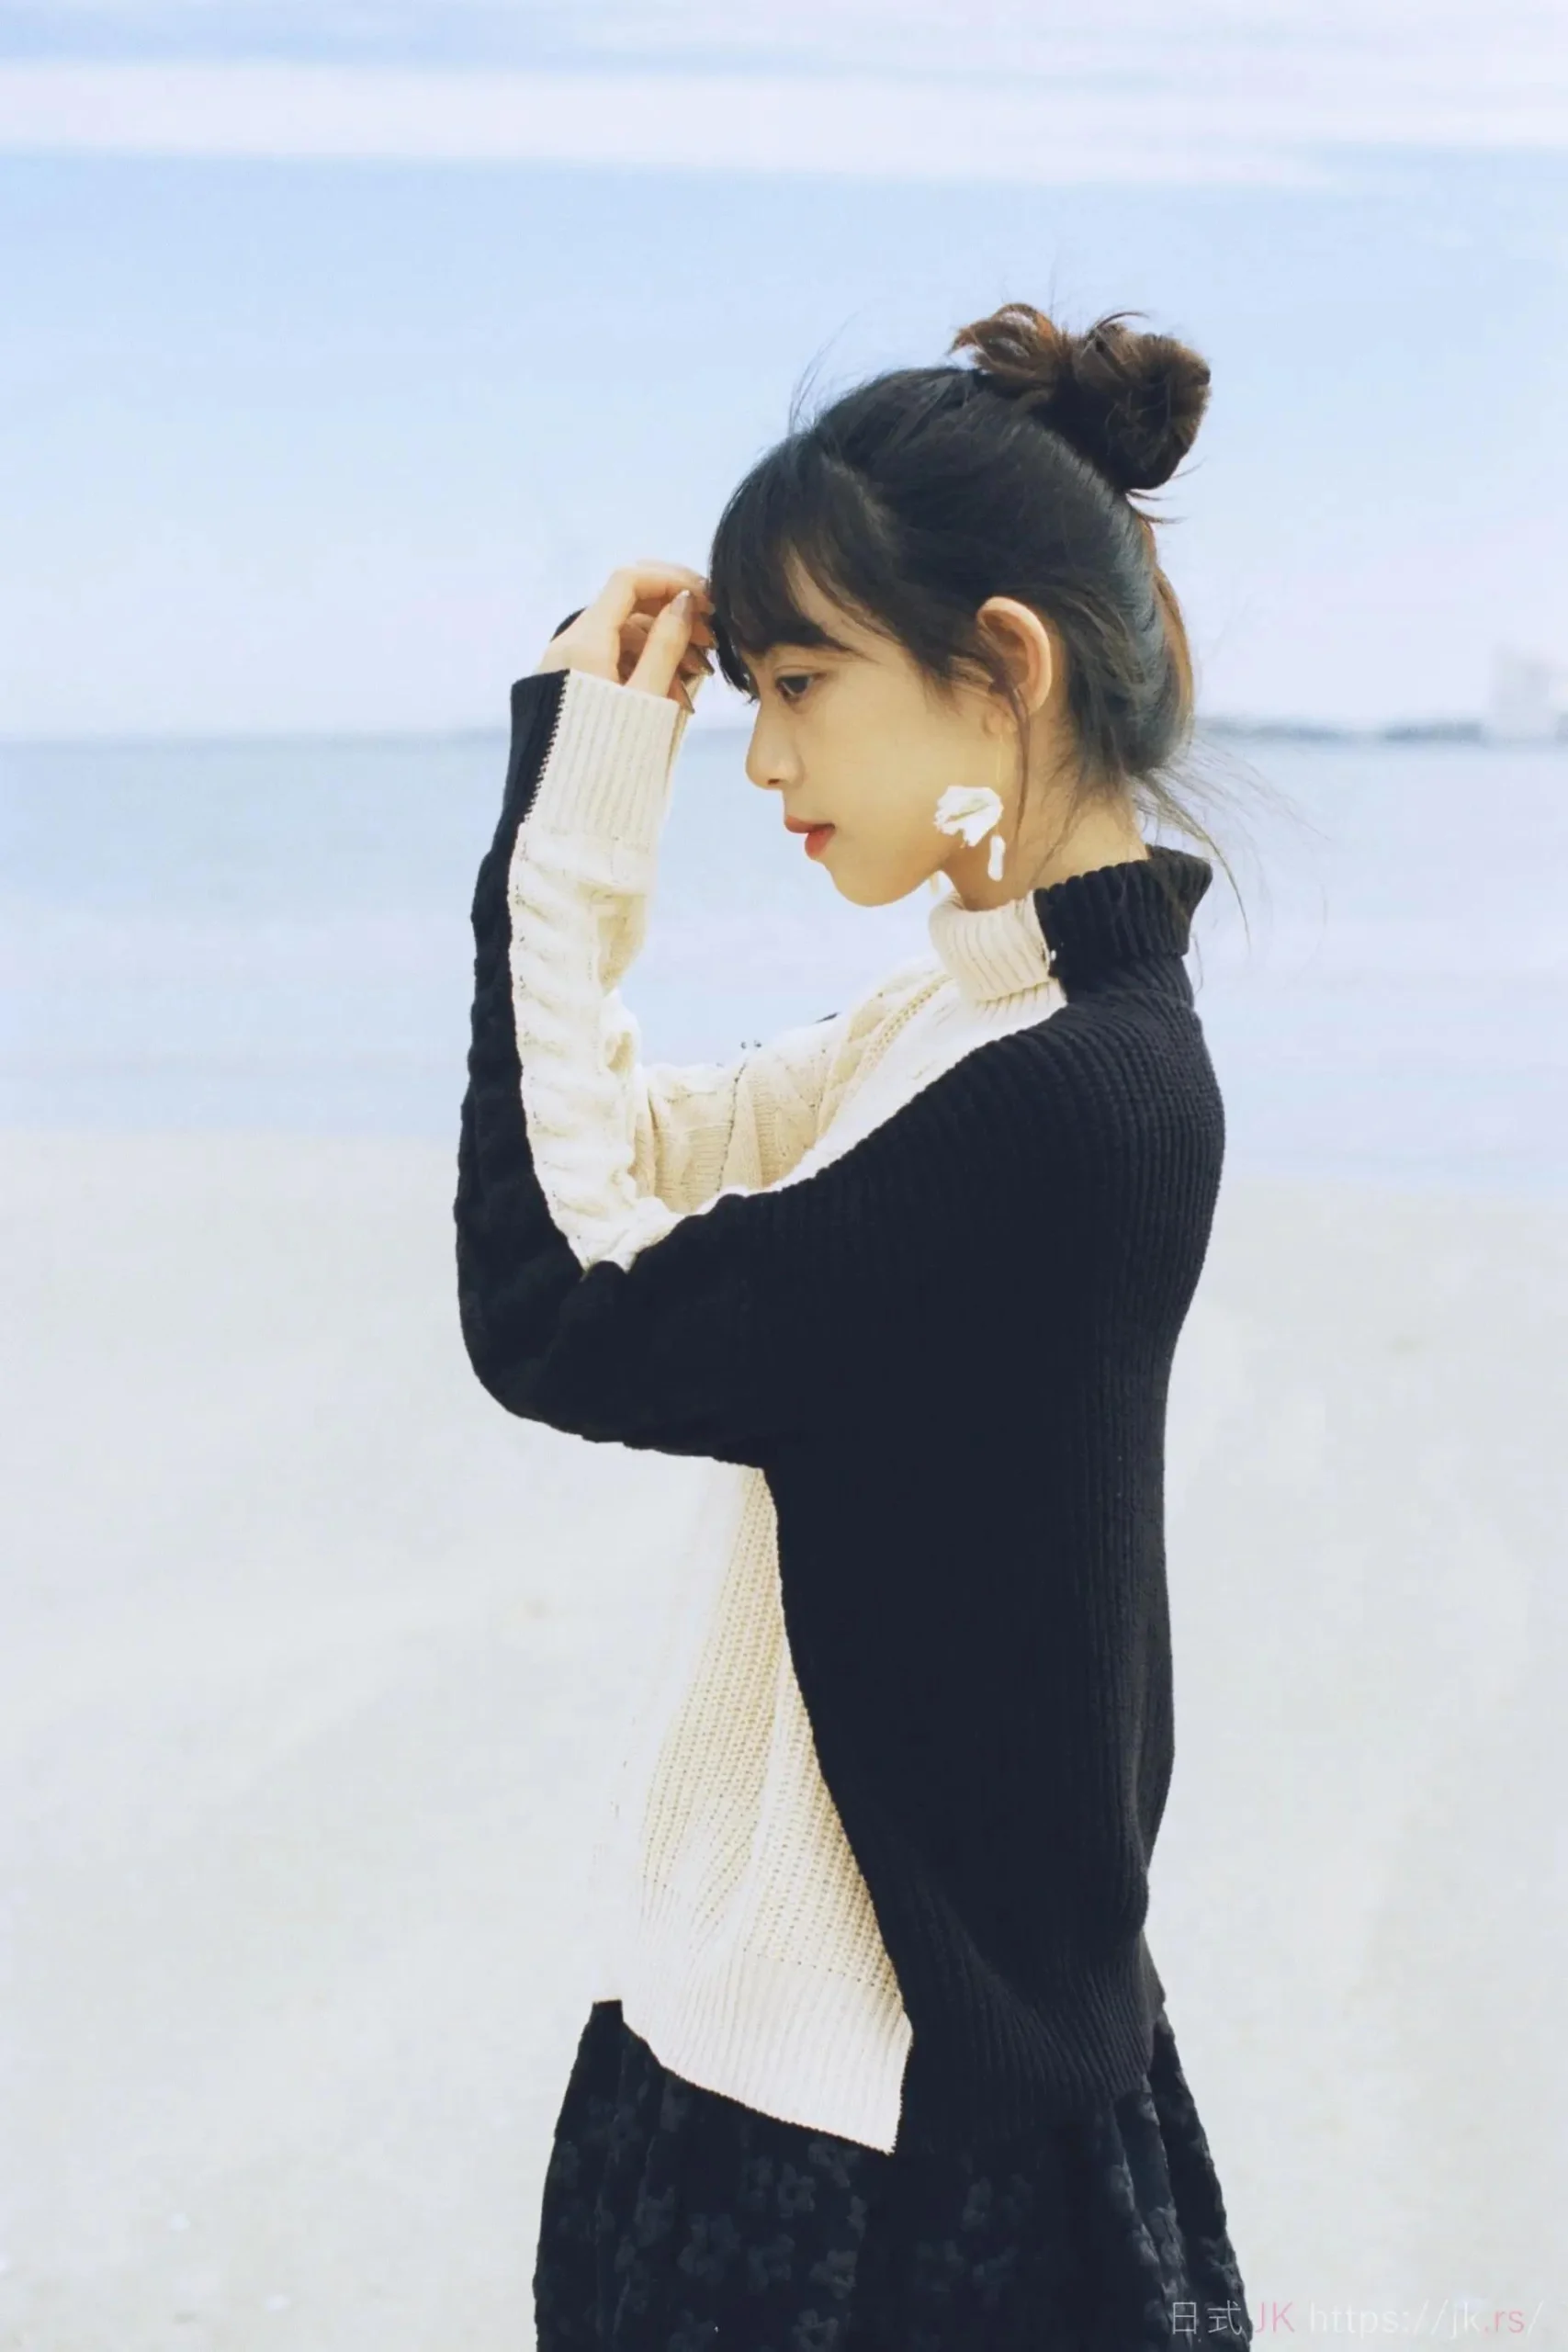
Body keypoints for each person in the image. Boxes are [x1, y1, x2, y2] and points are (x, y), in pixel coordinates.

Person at [454, 300, 1255, 2349]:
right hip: (796, 2041)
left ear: (1004, 667)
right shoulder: (969, 1019)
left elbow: (562, 1306)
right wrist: (600, 767)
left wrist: (569, 835)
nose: (767, 756)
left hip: (875, 2129)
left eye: (801, 684)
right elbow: (635, 1157)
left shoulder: (1067, 1104)